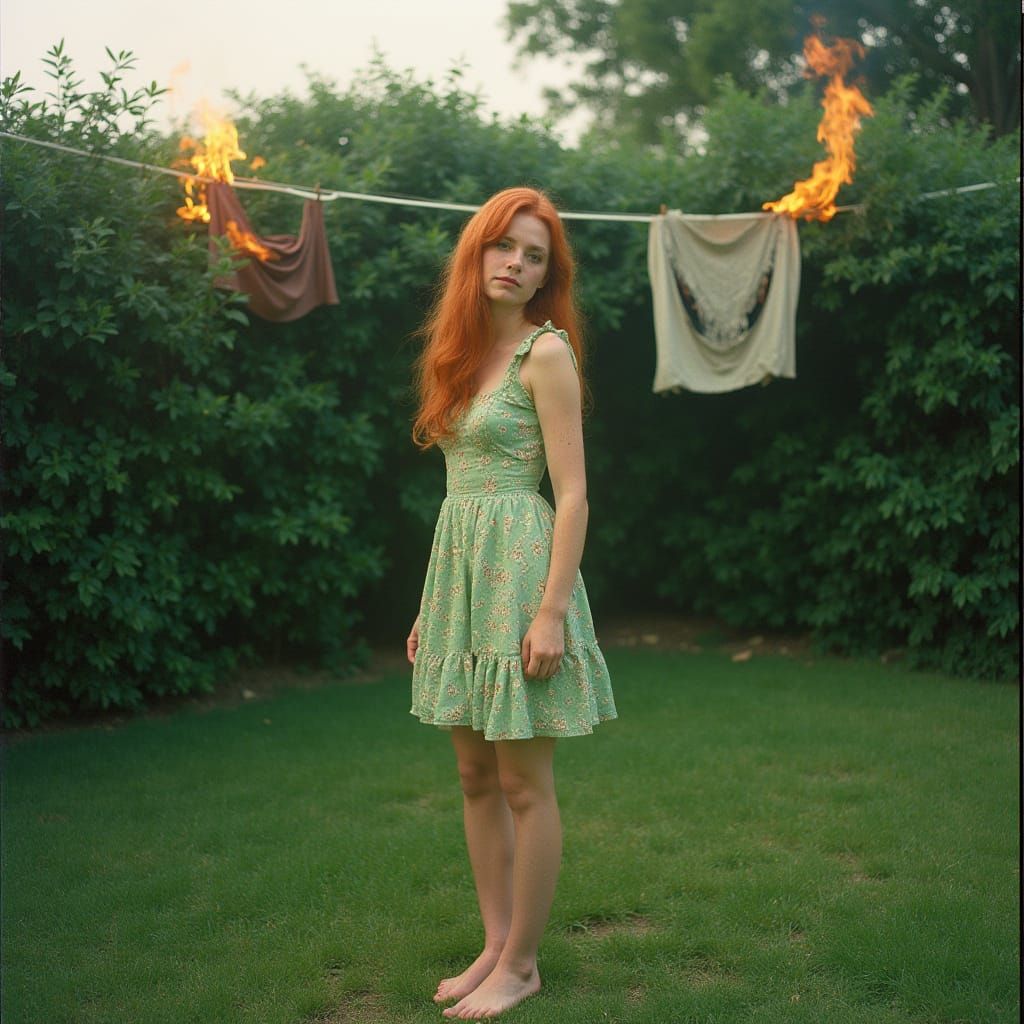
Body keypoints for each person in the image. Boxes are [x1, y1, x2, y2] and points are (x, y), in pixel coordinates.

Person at [406, 186, 617, 1019]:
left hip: (524, 576)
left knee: (524, 784)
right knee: (473, 776)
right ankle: (495, 947)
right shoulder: (457, 352)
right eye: (505, 246)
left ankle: (523, 965)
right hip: (461, 578)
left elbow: (573, 493)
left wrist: (552, 610)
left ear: (544, 276)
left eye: (535, 256)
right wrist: (432, 607)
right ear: (478, 252)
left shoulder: (546, 353)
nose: (517, 264)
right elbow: (460, 492)